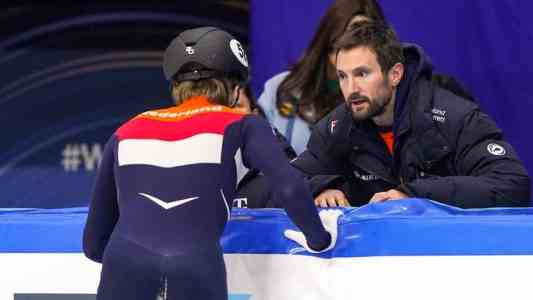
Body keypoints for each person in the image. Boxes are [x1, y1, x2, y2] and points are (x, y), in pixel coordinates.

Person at [82, 26, 340, 300]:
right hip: (195, 267)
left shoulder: (128, 129)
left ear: (175, 85)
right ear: (236, 89)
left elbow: (93, 244)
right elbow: (290, 187)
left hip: (123, 268)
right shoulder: (243, 124)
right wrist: (319, 240)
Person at [292, 21, 531, 208]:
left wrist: (413, 195)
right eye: (343, 76)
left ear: (395, 74)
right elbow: (285, 180)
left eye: (362, 74)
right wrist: (320, 188)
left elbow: (512, 184)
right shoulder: (337, 126)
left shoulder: (454, 118)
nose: (351, 89)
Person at [258, 0, 386, 155]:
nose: (353, 49)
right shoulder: (280, 88)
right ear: (328, 39)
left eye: (363, 40)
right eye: (345, 41)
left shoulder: (379, 106)